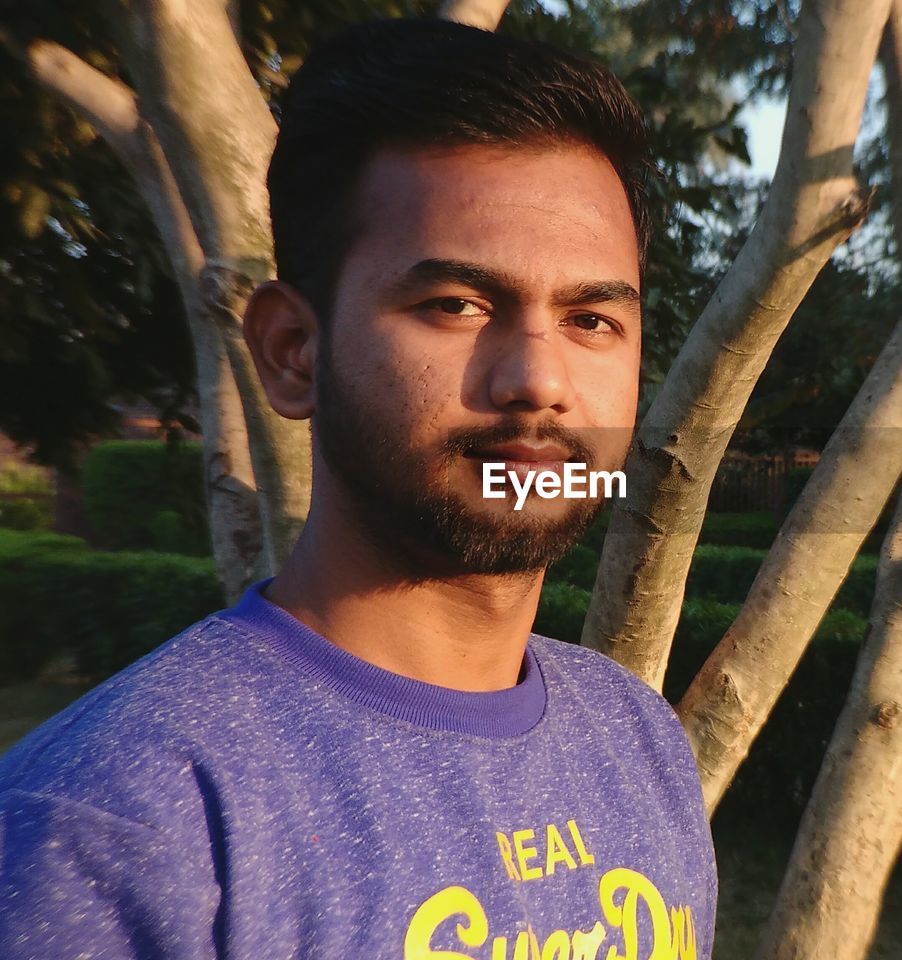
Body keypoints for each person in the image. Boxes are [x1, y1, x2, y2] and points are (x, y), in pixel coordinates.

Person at [0, 18, 716, 959]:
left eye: (591, 319)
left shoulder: (637, 739)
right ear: (293, 354)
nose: (540, 379)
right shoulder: (120, 822)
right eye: (456, 305)